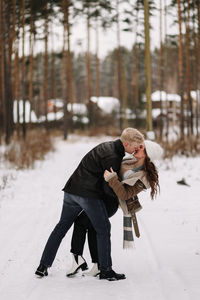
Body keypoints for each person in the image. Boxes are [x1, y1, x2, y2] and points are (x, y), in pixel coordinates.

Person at [35, 127, 145, 281]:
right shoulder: (114, 156)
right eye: (135, 146)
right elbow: (108, 186)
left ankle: (43, 266)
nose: (136, 149)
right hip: (87, 195)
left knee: (61, 227)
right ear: (127, 144)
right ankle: (106, 270)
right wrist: (119, 198)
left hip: (71, 190)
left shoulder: (107, 146)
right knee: (103, 228)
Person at [65, 139, 163, 277]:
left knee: (83, 222)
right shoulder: (129, 161)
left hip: (109, 202)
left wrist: (112, 178)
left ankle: (87, 262)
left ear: (147, 154)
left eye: (141, 147)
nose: (137, 147)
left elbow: (125, 194)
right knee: (91, 226)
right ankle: (97, 265)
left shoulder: (144, 177)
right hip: (100, 197)